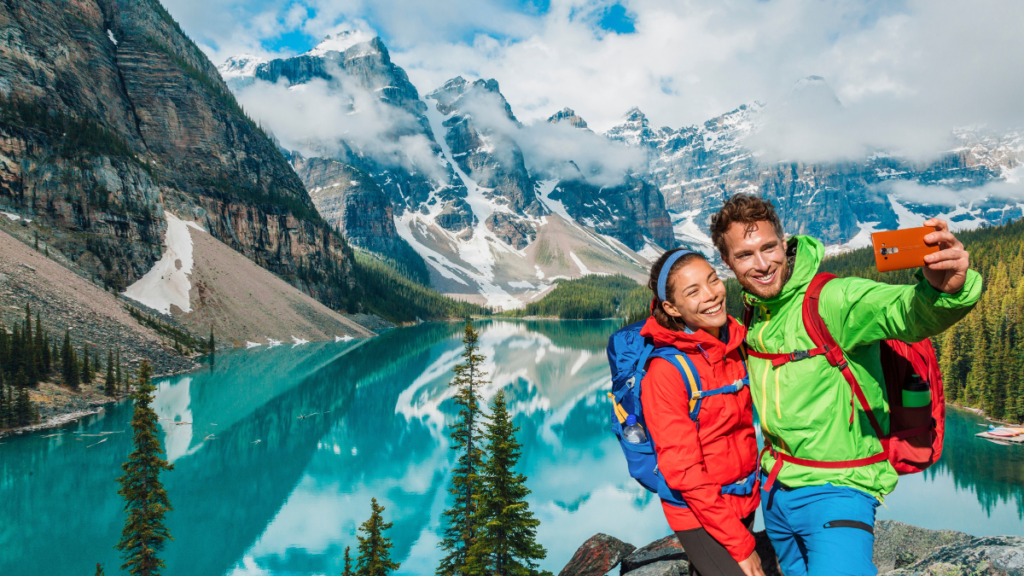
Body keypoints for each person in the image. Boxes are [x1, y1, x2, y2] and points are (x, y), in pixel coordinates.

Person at [709, 194, 982, 576]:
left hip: (838, 490)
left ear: (784, 243)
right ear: (727, 261)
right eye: (745, 255)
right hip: (774, 493)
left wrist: (946, 290)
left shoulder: (834, 299)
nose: (762, 264)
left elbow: (906, 312)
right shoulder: (756, 310)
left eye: (769, 247)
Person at [639, 248, 765, 576]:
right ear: (671, 307)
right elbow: (684, 473)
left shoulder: (736, 343)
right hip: (697, 513)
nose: (711, 296)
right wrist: (740, 544)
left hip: (743, 499)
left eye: (713, 280)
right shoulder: (665, 373)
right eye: (693, 291)